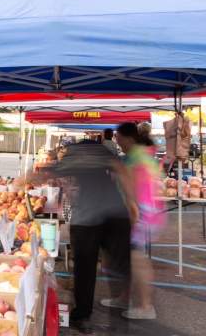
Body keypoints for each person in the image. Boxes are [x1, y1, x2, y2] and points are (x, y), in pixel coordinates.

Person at [41, 141, 131, 332]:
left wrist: (23, 180)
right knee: (119, 260)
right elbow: (121, 170)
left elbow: (49, 173)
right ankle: (125, 298)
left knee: (84, 268)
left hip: (87, 218)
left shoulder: (74, 154)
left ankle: (82, 315)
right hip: (115, 213)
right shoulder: (103, 153)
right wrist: (131, 202)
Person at [109, 122, 165, 320]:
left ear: (128, 138)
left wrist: (133, 212)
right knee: (128, 258)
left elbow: (133, 188)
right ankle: (124, 298)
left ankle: (145, 306)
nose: (117, 141)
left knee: (137, 260)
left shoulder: (138, 157)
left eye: (119, 137)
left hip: (140, 214)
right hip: (139, 212)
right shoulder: (138, 154)